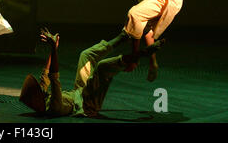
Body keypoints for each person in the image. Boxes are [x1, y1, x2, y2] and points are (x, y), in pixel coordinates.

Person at [19, 28, 165, 117]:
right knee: (102, 67)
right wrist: (52, 49)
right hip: (87, 105)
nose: (40, 89)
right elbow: (54, 76)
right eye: (37, 91)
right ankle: (144, 53)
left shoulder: (42, 98)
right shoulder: (53, 108)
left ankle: (124, 36)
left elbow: (45, 74)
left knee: (85, 55)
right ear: (37, 102)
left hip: (80, 91)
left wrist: (54, 48)